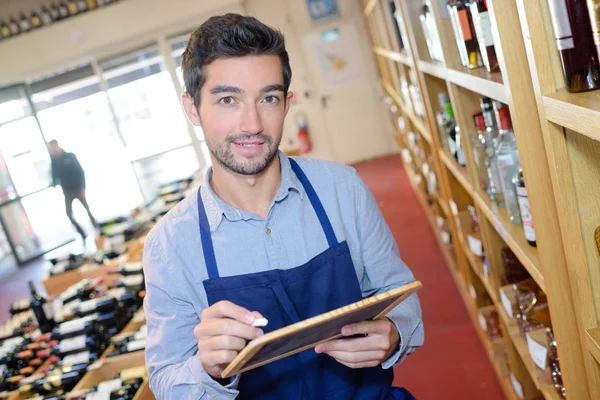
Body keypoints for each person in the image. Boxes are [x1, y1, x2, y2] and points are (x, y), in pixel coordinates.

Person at [143, 13, 423, 399]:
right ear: (192, 109)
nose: (252, 123)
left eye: (268, 98)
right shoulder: (169, 246)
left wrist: (393, 332)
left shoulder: (341, 188)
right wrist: (208, 370)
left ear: (288, 103)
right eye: (228, 100)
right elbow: (165, 380)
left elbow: (398, 292)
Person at [49, 140, 97, 242]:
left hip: (78, 188)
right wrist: (52, 184)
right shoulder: (54, 160)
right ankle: (82, 234)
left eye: (54, 146)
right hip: (67, 191)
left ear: (57, 145)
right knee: (69, 214)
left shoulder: (70, 156)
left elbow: (80, 172)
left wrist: (83, 187)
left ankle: (96, 227)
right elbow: (54, 175)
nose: (53, 149)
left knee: (87, 209)